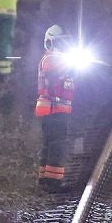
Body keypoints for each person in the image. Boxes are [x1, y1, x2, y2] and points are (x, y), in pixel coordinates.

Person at [35, 25, 75, 192]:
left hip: (52, 108)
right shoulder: (51, 58)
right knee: (58, 144)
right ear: (50, 42)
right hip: (54, 108)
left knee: (50, 143)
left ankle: (45, 178)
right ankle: (53, 182)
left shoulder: (55, 58)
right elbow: (55, 72)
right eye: (60, 42)